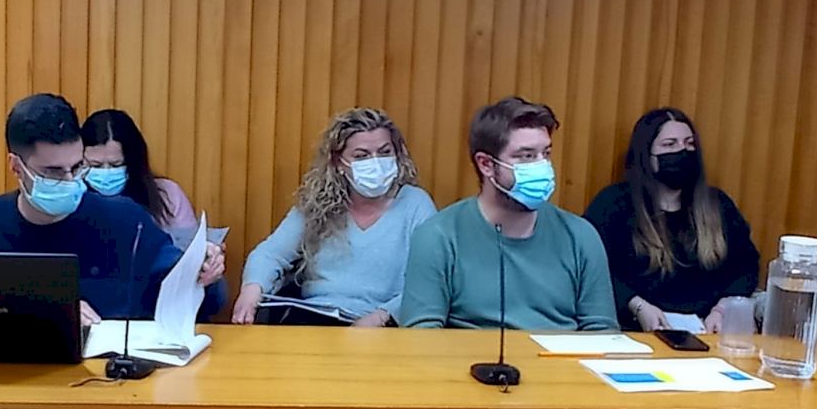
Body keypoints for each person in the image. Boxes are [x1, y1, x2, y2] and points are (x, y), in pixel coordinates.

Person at [0, 94, 224, 325]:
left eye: (78, 166)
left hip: (113, 370)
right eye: (53, 171)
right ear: (16, 167)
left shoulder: (126, 220)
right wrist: (47, 312)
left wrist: (205, 271)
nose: (70, 180)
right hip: (14, 368)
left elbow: (201, 301)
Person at [399, 96, 617, 331]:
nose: (542, 166)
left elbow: (602, 332)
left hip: (561, 354)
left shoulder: (580, 235)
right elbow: (422, 335)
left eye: (546, 153)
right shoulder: (438, 236)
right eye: (526, 156)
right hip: (472, 355)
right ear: (486, 164)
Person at [231, 107, 436, 327]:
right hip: (315, 318)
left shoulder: (415, 204)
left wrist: (381, 317)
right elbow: (270, 254)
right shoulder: (318, 203)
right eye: (361, 156)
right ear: (339, 163)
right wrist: (252, 289)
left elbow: (432, 281)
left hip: (384, 324)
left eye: (385, 152)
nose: (375, 162)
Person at [584, 107, 760, 332]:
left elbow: (746, 267)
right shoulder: (613, 204)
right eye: (669, 145)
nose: (682, 151)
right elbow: (593, 269)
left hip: (706, 330)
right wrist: (636, 306)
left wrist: (722, 309)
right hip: (634, 329)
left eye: (689, 144)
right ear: (646, 156)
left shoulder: (718, 205)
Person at [81, 109, 200, 243]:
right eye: (95, 165)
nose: (106, 172)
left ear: (133, 162)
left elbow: (189, 246)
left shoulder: (168, 196)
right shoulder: (70, 200)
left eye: (116, 165)